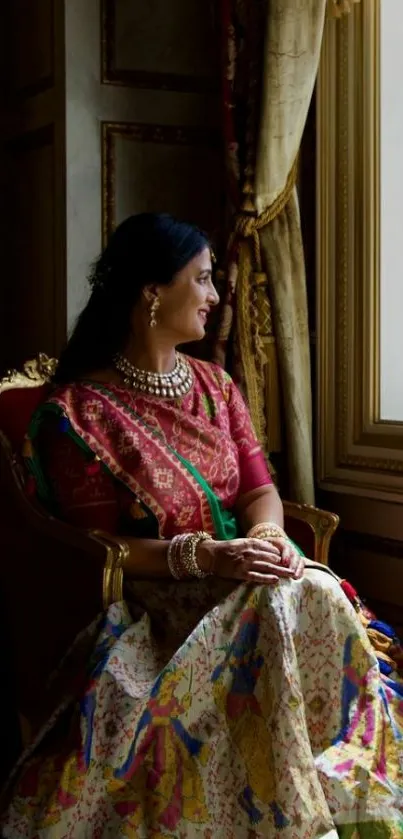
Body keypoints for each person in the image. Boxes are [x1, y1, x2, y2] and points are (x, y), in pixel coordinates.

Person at [1, 214, 402, 838]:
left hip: (245, 568)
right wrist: (207, 557)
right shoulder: (76, 414)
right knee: (282, 602)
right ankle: (290, 816)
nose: (217, 297)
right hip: (155, 601)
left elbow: (260, 490)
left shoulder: (216, 386)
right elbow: (96, 550)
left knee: (311, 589)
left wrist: (267, 538)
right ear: (152, 292)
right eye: (204, 279)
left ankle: (344, 797)